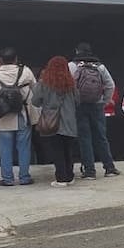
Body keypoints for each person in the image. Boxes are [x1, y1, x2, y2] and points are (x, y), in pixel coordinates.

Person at [69, 42, 120, 179]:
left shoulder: (72, 66)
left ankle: (90, 171)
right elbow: (110, 84)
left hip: (79, 106)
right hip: (97, 105)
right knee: (101, 137)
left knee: (84, 138)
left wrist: (73, 101)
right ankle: (109, 168)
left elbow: (68, 86)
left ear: (77, 51)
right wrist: (105, 100)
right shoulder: (100, 67)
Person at [0, 47, 37, 187]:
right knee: (24, 147)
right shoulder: (25, 71)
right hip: (23, 113)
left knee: (5, 148)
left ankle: (7, 178)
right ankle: (24, 177)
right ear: (16, 59)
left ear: (1, 61)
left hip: (4, 116)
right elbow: (35, 87)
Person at [31, 56, 79, 187]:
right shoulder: (71, 84)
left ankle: (61, 178)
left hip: (52, 121)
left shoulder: (44, 83)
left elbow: (35, 101)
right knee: (68, 150)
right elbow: (78, 101)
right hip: (69, 121)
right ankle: (69, 176)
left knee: (57, 151)